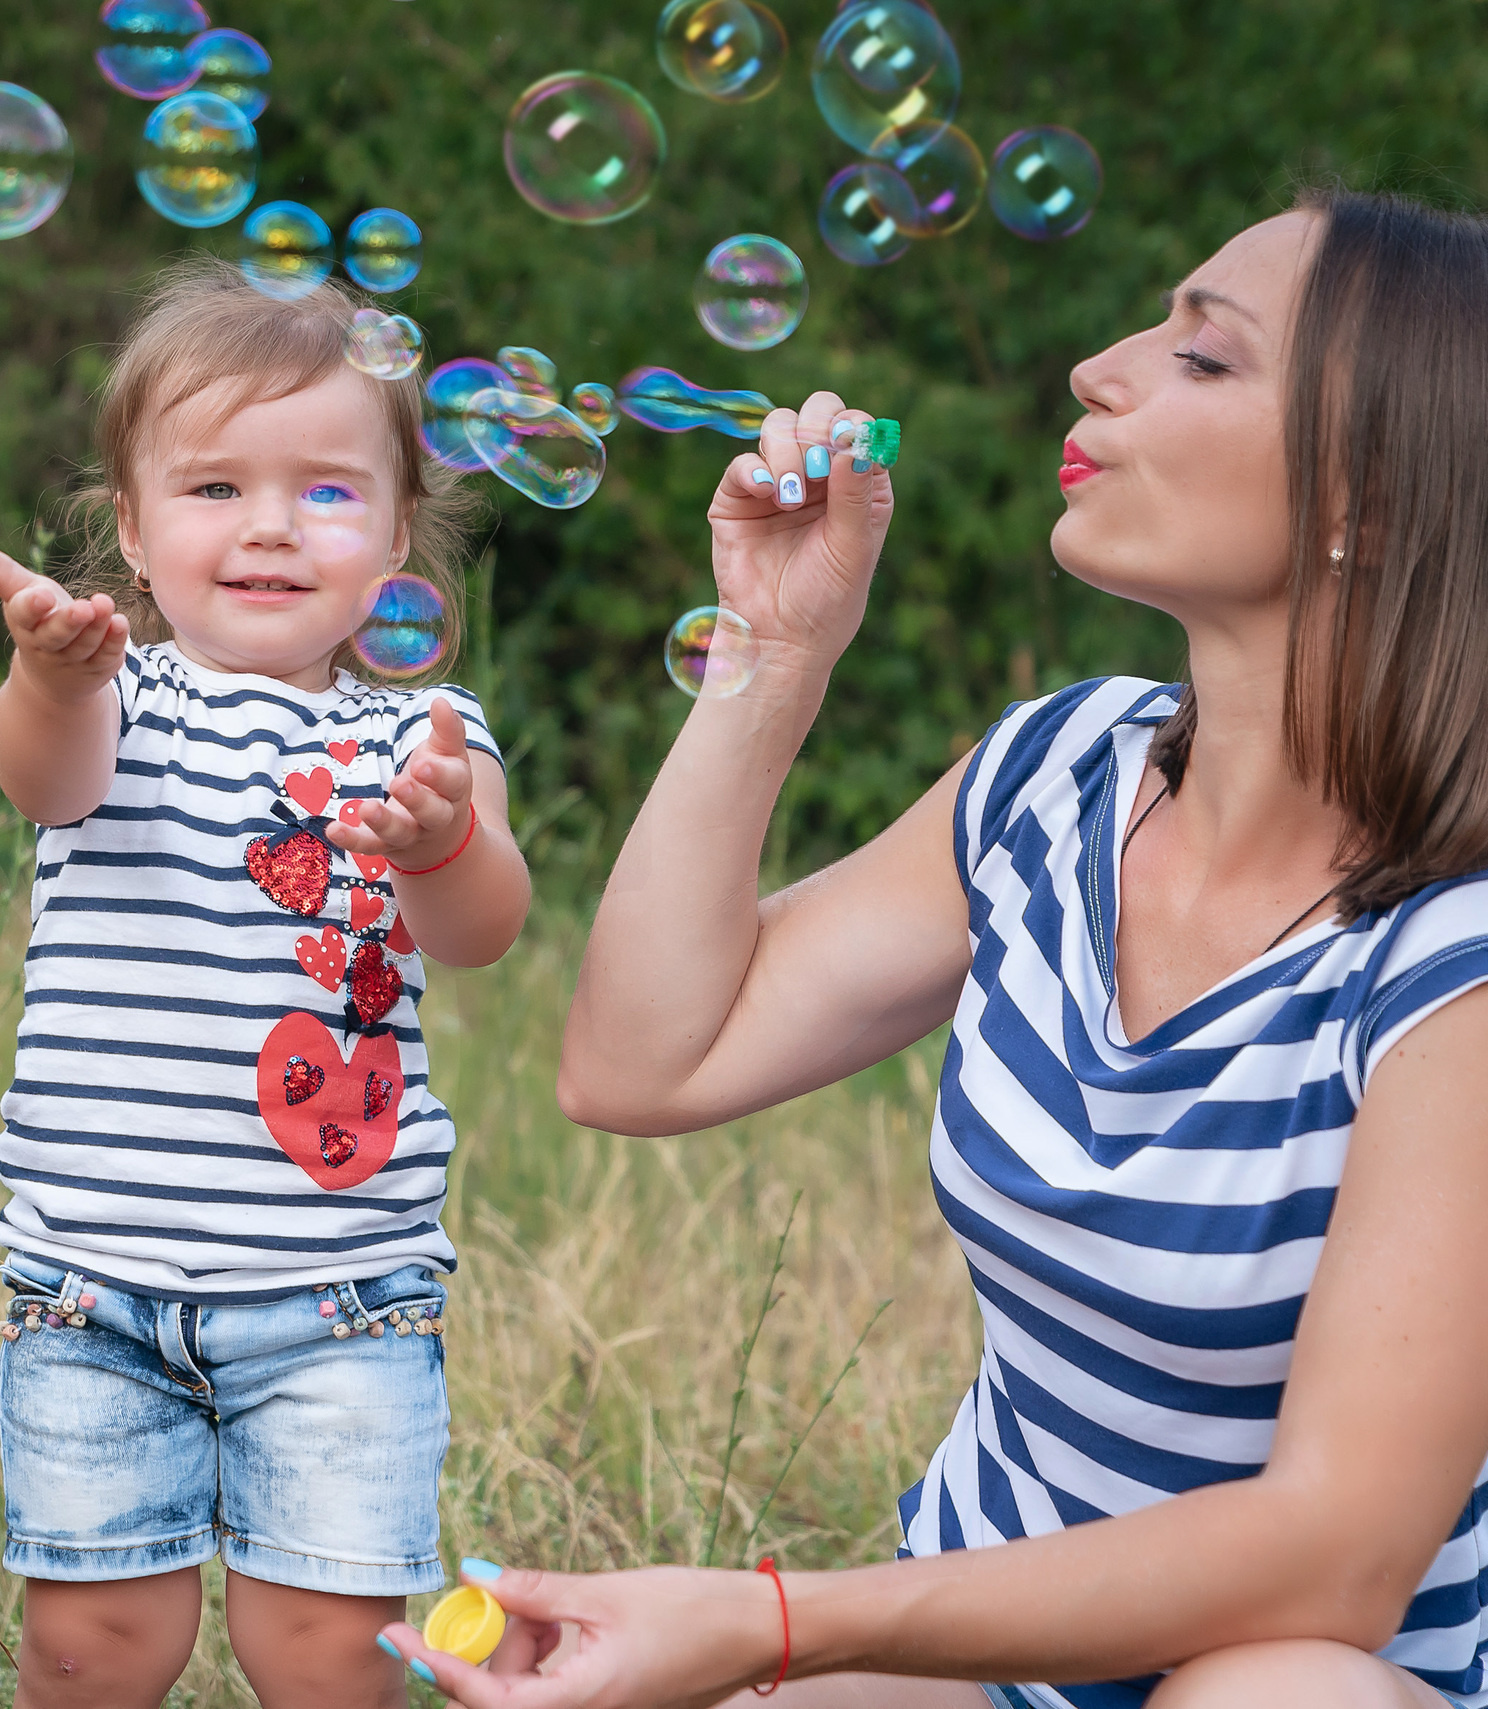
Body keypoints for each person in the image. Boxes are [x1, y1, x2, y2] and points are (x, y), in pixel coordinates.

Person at [377, 188, 1488, 1709]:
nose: (1102, 368)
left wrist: (780, 1620)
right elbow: (641, 1061)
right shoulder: (1059, 778)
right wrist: (773, 652)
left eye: (1204, 359)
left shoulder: (1453, 957)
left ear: (1374, 489)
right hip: (993, 1680)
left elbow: (1337, 1557)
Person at [0, 260, 533, 1709]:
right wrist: (46, 673)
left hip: (340, 1291)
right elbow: (43, 773)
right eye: (214, 488)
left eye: (327, 490)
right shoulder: (115, 700)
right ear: (134, 533)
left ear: (398, 533)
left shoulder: (427, 732)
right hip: (96, 1289)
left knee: (333, 1650)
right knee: (93, 1644)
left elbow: (483, 928)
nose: (272, 525)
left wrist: (445, 840)